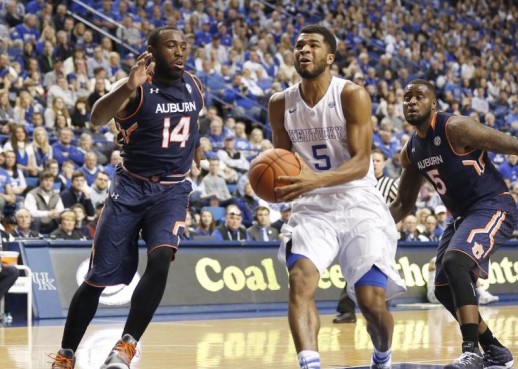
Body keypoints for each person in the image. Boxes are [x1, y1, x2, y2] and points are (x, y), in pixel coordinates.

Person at [50, 25, 204, 369]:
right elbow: (95, 119)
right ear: (151, 51)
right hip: (130, 187)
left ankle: (126, 345)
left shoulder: (194, 85)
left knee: (162, 256)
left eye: (183, 46)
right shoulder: (136, 90)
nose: (179, 52)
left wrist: (197, 150)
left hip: (172, 189)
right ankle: (66, 353)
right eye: (170, 46)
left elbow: (193, 124)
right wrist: (127, 85)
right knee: (98, 278)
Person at [267, 25, 405, 369]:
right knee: (299, 281)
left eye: (312, 45)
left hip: (359, 202)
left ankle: (382, 356)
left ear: (330, 57)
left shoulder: (352, 94)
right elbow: (282, 160)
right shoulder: (280, 103)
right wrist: (277, 184)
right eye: (299, 45)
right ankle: (309, 363)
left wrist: (315, 179)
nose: (303, 50)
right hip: (312, 208)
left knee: (372, 304)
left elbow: (361, 163)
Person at [389, 79, 517, 369]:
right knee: (444, 286)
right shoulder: (411, 151)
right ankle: (495, 350)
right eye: (406, 97)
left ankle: (471, 351)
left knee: (456, 261)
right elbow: (401, 205)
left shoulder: (456, 127)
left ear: (433, 103)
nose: (410, 101)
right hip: (461, 216)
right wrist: (373, 225)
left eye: (418, 96)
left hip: (494, 204)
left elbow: (511, 144)